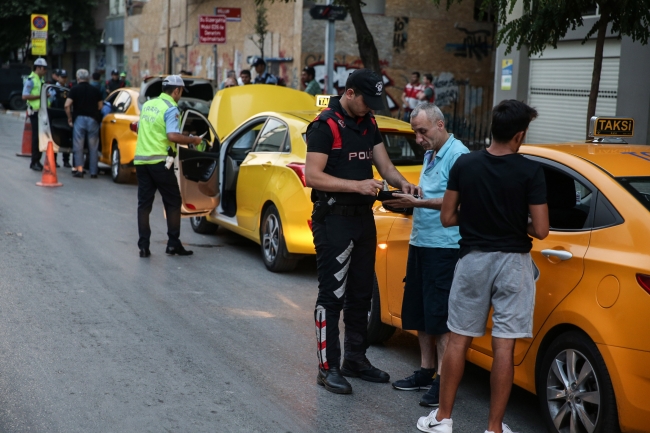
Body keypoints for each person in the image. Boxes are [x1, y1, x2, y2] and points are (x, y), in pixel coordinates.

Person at [417, 100, 549, 433]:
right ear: (519, 136)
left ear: (493, 128)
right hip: (514, 265)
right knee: (504, 346)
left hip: (473, 260)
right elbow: (542, 229)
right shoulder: (531, 171)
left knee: (458, 340)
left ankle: (443, 419)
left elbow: (447, 217)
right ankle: (493, 428)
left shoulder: (465, 164)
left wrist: (477, 217)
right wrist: (515, 222)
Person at [305, 69, 420, 395]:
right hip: (333, 221)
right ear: (351, 93)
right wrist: (357, 185)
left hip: (363, 220)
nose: (370, 108)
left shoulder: (368, 123)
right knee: (332, 296)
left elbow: (385, 167)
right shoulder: (325, 126)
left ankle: (356, 359)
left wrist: (403, 184)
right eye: (366, 101)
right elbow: (312, 175)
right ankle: (328, 368)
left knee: (360, 294)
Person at [384, 103, 469, 407]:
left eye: (422, 131)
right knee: (421, 311)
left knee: (441, 318)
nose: (418, 138)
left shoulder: (459, 155)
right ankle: (426, 370)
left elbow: (457, 203)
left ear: (440, 125)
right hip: (421, 242)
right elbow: (436, 192)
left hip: (445, 247)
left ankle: (443, 383)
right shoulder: (431, 153)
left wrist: (417, 203)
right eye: (414, 132)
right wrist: (413, 192)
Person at [134, 75, 201, 258]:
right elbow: (172, 136)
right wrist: (192, 139)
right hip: (160, 162)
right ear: (176, 90)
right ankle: (173, 244)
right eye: (181, 92)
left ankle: (143, 247)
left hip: (141, 161)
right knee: (173, 202)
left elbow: (140, 127)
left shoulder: (148, 105)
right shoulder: (171, 108)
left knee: (144, 205)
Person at [65, 69, 103, 179]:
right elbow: (101, 106)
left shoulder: (74, 89)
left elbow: (67, 105)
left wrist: (69, 118)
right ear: (88, 78)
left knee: (78, 145)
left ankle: (80, 170)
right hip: (93, 120)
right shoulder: (95, 90)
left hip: (79, 120)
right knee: (93, 147)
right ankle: (93, 172)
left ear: (77, 78)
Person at [22, 57, 48, 171]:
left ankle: (37, 160)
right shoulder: (31, 79)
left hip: (42, 112)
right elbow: (25, 96)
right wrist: (41, 96)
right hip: (35, 113)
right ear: (38, 67)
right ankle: (34, 161)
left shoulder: (40, 79)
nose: (45, 71)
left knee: (41, 137)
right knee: (36, 138)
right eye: (44, 68)